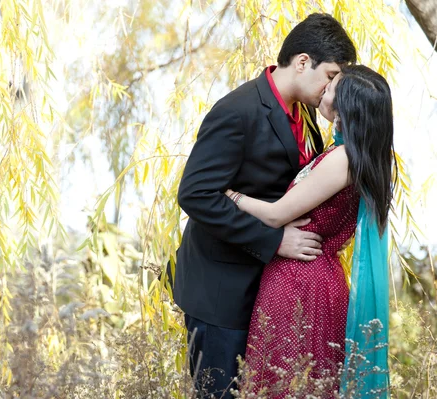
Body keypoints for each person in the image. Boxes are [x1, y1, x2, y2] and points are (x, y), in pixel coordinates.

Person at [168, 13, 356, 398]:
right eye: (330, 75)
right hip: (221, 293)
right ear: (303, 62)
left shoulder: (305, 115)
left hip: (268, 293)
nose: (332, 88)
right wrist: (274, 241)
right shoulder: (238, 111)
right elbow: (195, 193)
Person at [226, 64, 393, 398]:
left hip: (301, 281)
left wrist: (232, 195)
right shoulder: (348, 154)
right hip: (310, 276)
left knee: (286, 382)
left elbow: (275, 216)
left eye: (333, 84)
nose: (325, 87)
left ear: (345, 105)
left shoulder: (343, 158)